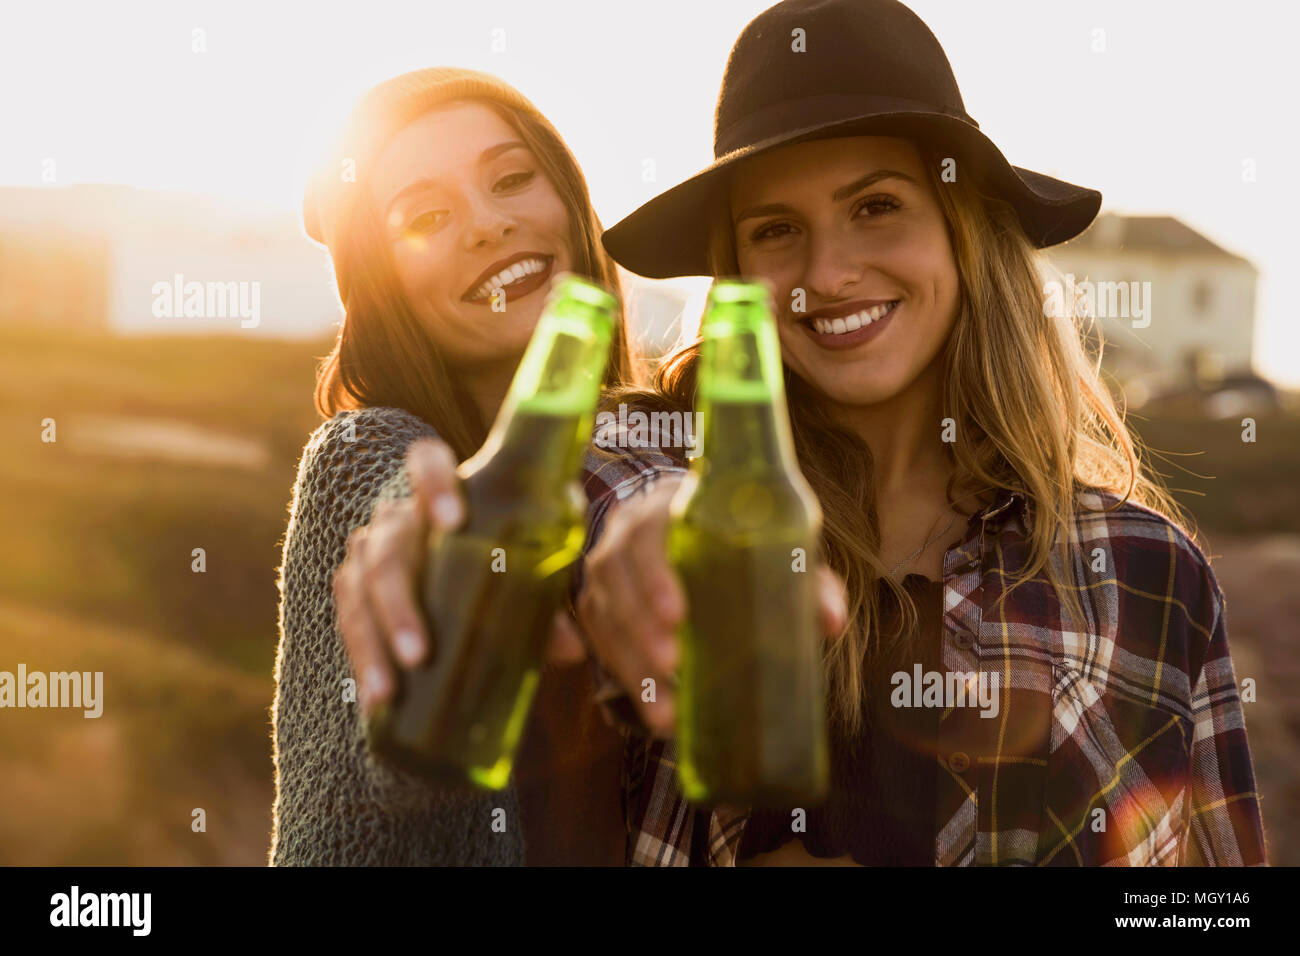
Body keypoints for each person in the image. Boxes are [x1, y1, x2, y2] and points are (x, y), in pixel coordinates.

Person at [336, 0, 1268, 867]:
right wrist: (435, 569)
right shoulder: (628, 475)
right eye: (776, 229)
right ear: (734, 272)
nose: (828, 272)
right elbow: (585, 544)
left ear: (963, 227)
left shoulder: (1148, 571)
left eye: (876, 206)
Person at [269, 66, 632, 865]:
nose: (487, 224)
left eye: (511, 179)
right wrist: (434, 539)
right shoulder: (361, 458)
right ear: (381, 283)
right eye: (427, 216)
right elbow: (398, 508)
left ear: (570, 206)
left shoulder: (654, 455)